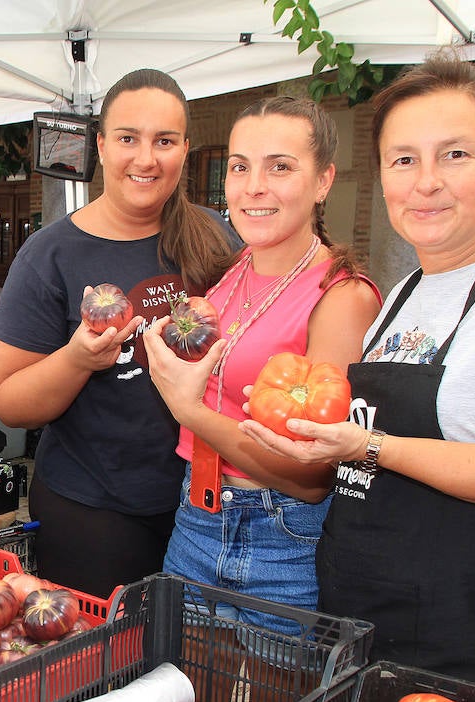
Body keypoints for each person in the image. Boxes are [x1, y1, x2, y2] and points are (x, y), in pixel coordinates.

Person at [241, 52, 475, 702]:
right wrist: (302, 440)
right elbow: (362, 458)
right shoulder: (404, 296)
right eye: (404, 159)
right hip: (372, 630)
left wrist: (369, 446)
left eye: (455, 155)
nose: (425, 183)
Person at [0, 68, 237, 599]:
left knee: (189, 673)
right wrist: (78, 358)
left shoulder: (219, 239)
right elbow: (7, 401)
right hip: (92, 509)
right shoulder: (49, 255)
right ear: (100, 147)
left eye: (164, 141)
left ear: (185, 150)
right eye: (128, 138)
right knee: (104, 669)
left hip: (210, 509)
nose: (146, 158)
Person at [141, 96, 382, 632]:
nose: (254, 186)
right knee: (185, 700)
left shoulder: (341, 296)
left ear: (323, 182)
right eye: (240, 166)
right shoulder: (233, 273)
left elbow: (314, 474)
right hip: (196, 512)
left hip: (280, 532)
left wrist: (187, 407)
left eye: (281, 167)